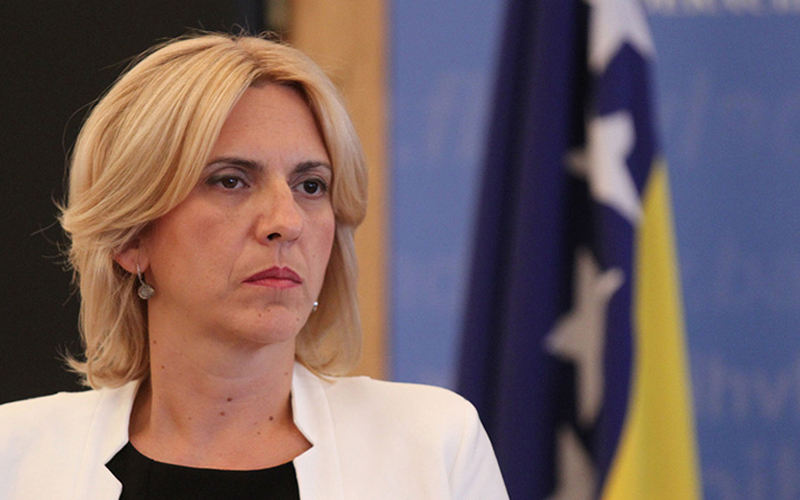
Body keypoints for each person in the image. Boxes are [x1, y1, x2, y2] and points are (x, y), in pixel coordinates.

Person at [0, 33, 508, 499]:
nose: (287, 221)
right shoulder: (17, 458)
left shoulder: (433, 447)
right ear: (131, 237)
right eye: (231, 181)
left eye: (311, 186)